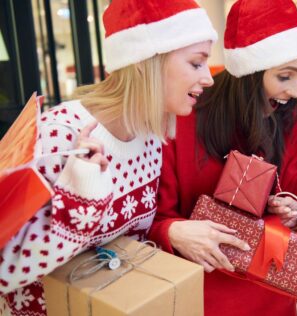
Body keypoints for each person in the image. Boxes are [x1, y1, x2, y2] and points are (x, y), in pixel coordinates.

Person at [148, 0, 297, 315]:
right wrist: (174, 232)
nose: (293, 90)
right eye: (284, 77)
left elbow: (296, 181)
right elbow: (153, 220)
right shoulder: (182, 114)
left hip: (271, 282)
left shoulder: (285, 111)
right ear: (249, 71)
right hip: (205, 292)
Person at [0, 0, 217, 315]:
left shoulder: (151, 138)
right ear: (147, 62)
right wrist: (80, 201)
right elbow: (6, 269)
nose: (209, 78)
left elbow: (129, 250)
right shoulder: (59, 135)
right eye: (197, 63)